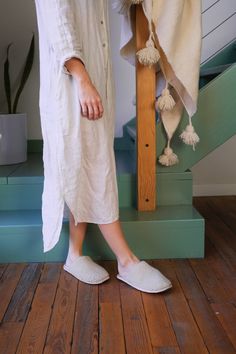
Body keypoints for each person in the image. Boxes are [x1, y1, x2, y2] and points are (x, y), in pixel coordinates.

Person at [34, 0, 172, 293]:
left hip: (91, 76)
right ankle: (126, 260)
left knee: (86, 159)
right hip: (72, 82)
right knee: (90, 162)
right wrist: (82, 79)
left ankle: (75, 253)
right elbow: (57, 21)